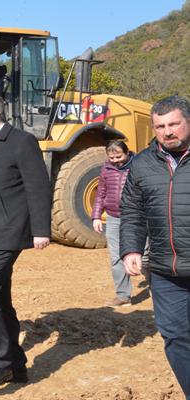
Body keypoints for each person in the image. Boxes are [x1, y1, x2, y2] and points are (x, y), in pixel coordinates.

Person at [0, 93, 52, 385]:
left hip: (9, 232)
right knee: (0, 298)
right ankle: (17, 367)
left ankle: (0, 361)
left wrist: (41, 229)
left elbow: (38, 186)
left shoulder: (21, 141)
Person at [120, 95, 190, 399]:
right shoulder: (142, 163)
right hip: (165, 269)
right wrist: (131, 249)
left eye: (174, 124)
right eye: (160, 126)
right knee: (175, 337)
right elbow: (132, 211)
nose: (167, 131)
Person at [91, 140, 136, 307]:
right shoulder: (106, 169)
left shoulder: (138, 165)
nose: (116, 160)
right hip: (113, 218)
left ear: (127, 152)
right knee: (116, 258)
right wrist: (96, 216)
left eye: (119, 156)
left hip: (136, 218)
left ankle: (157, 290)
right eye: (112, 157)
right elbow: (101, 193)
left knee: (145, 257)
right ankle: (123, 295)